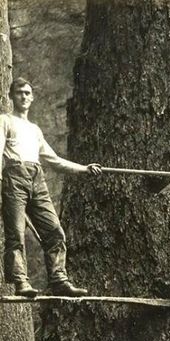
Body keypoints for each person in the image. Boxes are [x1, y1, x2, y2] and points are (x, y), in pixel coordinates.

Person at [0, 77, 102, 297]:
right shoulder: (4, 120)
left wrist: (84, 169)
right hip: (13, 177)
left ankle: (58, 279)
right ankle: (21, 283)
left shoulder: (35, 130)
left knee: (54, 230)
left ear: (32, 97)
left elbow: (54, 160)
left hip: (37, 178)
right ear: (11, 96)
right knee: (16, 234)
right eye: (19, 93)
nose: (24, 96)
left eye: (27, 93)